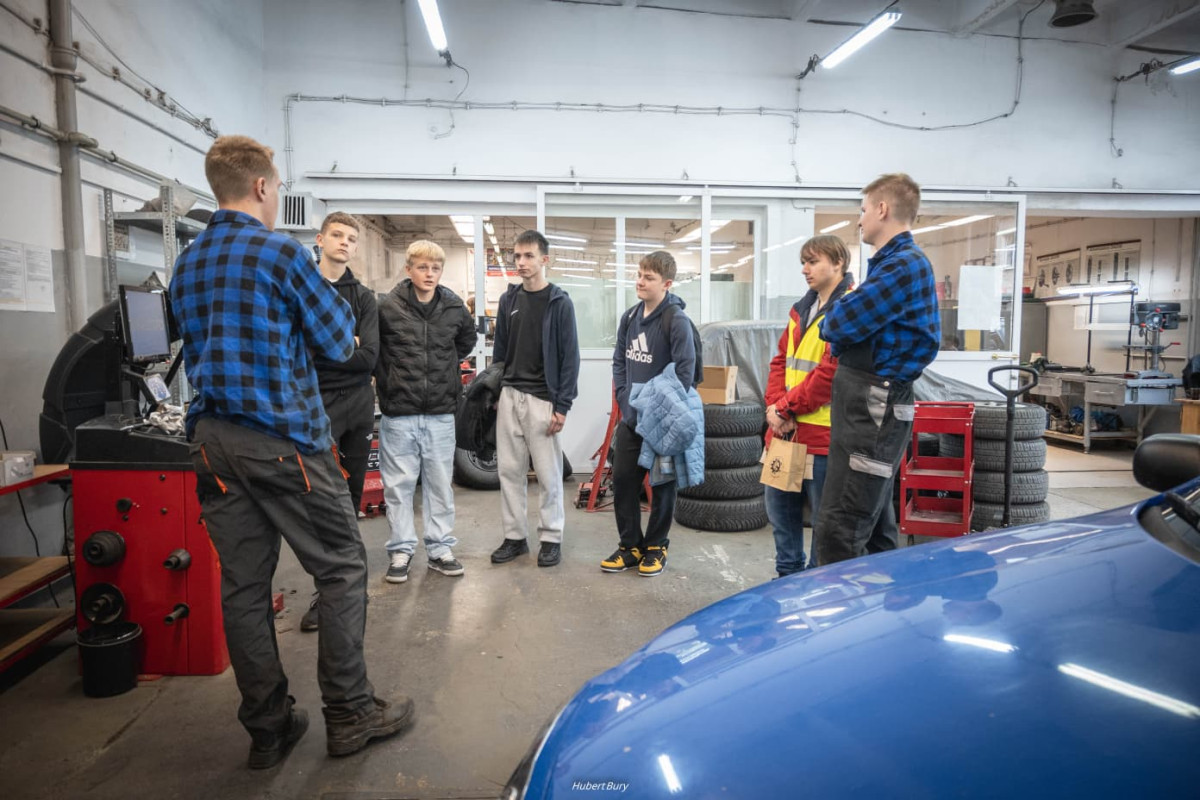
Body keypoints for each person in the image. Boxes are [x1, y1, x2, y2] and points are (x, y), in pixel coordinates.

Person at [169, 135, 412, 769]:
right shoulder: (279, 252)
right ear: (261, 186)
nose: (276, 197)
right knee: (342, 567)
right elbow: (338, 340)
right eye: (276, 188)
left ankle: (269, 728)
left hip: (212, 446)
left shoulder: (187, 262)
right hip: (282, 443)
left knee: (245, 587)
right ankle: (350, 713)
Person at [813, 173, 940, 566]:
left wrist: (839, 320)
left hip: (875, 405)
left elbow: (836, 324)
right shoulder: (891, 266)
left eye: (864, 210)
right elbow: (844, 327)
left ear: (882, 209)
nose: (860, 219)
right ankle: (886, 596)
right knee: (873, 517)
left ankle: (837, 599)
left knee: (842, 523)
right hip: (870, 403)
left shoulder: (903, 266)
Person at [375, 240, 477, 583]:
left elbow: (465, 342)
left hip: (440, 413)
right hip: (398, 413)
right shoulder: (387, 307)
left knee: (439, 486)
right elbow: (377, 351)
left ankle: (439, 548)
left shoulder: (454, 307)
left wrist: (442, 370)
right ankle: (401, 550)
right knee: (398, 486)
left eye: (435, 268)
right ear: (408, 270)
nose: (429, 274)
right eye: (422, 267)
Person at [300, 211, 378, 633]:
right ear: (320, 239)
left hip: (358, 407)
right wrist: (347, 344)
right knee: (320, 502)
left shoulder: (363, 298)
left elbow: (369, 357)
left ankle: (350, 589)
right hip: (316, 407)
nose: (344, 242)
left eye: (351, 237)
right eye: (337, 235)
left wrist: (326, 349)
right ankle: (325, 590)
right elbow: (297, 355)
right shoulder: (302, 290)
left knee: (350, 498)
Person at [763, 235, 854, 577]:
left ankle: (816, 586)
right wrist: (775, 407)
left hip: (822, 437)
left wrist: (785, 408)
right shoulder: (800, 310)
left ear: (838, 263)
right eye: (804, 262)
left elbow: (830, 373)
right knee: (780, 513)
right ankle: (786, 579)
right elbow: (780, 361)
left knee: (823, 524)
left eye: (813, 261)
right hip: (785, 434)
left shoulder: (849, 309)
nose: (805, 269)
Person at [489, 230, 580, 568]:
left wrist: (562, 406)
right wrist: (497, 392)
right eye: (517, 256)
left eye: (529, 256)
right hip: (509, 397)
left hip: (543, 400)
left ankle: (551, 538)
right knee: (509, 472)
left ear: (544, 259)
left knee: (548, 475)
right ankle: (515, 537)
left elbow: (570, 358)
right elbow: (500, 353)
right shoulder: (508, 300)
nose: (522, 262)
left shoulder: (559, 303)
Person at [603, 251, 696, 577]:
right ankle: (630, 546)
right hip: (631, 418)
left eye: (649, 277)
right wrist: (624, 397)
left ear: (667, 284)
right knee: (623, 480)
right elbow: (619, 362)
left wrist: (657, 408)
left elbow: (685, 373)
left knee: (663, 484)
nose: (640, 282)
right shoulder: (629, 317)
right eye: (639, 275)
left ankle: (656, 547)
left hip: (661, 420)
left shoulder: (676, 321)